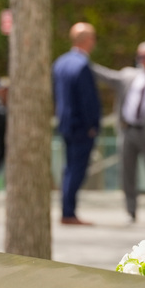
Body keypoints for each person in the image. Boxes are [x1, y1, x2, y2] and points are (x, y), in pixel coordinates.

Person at [93, 41, 145, 223]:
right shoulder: (128, 76)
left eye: (144, 56)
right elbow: (106, 76)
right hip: (128, 132)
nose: (140, 60)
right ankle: (130, 211)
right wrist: (84, 61)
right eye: (139, 56)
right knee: (127, 173)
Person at [52, 22, 102, 225]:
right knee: (76, 169)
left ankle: (67, 209)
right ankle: (68, 212)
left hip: (65, 123)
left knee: (69, 168)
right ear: (88, 40)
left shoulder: (60, 62)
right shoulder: (82, 65)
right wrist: (92, 125)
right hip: (81, 126)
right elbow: (87, 100)